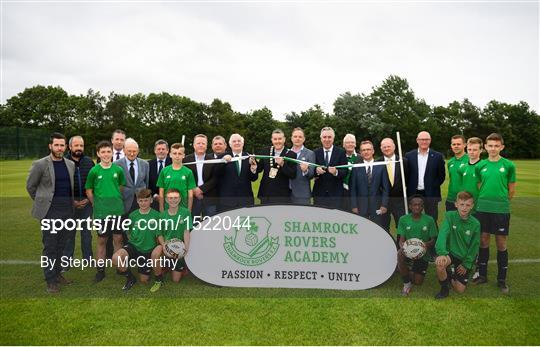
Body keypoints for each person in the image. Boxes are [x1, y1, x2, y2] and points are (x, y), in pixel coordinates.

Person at [26, 132, 75, 293]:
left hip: (67, 211)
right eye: (57, 145)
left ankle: (58, 274)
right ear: (50, 146)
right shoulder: (40, 164)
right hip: (49, 213)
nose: (60, 148)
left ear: (66, 147)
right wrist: (43, 202)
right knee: (50, 246)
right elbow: (31, 187)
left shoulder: (70, 164)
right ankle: (50, 280)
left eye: (62, 145)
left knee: (62, 245)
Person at [473, 133, 516, 294]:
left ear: (501, 147)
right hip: (483, 208)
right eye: (490, 145)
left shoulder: (509, 165)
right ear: (485, 147)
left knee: (501, 243)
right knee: (483, 241)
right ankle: (482, 275)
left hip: (501, 210)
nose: (493, 148)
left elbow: (511, 190)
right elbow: (479, 184)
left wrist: (501, 203)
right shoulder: (480, 166)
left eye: (496, 146)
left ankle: (501, 279)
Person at [85, 140, 126, 283]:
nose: (106, 154)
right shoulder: (94, 171)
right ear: (98, 153)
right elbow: (89, 190)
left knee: (118, 239)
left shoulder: (118, 170)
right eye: (103, 152)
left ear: (112, 153)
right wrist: (97, 204)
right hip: (102, 213)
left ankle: (119, 267)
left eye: (108, 151)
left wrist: (113, 199)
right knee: (102, 240)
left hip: (117, 211)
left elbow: (120, 187)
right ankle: (100, 270)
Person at [111, 189, 161, 291]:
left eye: (146, 200)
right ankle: (130, 278)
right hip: (134, 246)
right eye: (141, 201)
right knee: (116, 258)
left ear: (151, 200)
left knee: (144, 280)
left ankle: (149, 267)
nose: (143, 203)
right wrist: (133, 240)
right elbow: (128, 231)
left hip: (148, 249)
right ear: (137, 201)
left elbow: (159, 235)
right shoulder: (133, 215)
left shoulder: (157, 216)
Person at [434, 191, 480, 299]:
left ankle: (450, 275)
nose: (464, 208)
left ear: (472, 206)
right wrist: (442, 253)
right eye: (462, 204)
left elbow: (475, 246)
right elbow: (442, 234)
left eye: (468, 205)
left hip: (464, 256)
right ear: (456, 204)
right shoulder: (450, 216)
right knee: (440, 264)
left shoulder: (476, 224)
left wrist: (467, 264)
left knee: (459, 290)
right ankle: (444, 289)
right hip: (451, 253)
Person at [63, 135, 95, 271]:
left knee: (86, 233)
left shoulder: (89, 162)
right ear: (70, 147)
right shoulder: (63, 162)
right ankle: (67, 261)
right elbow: (61, 186)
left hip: (87, 204)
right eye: (76, 146)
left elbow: (94, 184)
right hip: (70, 205)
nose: (79, 148)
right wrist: (73, 202)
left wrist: (88, 199)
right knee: (69, 234)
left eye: (81, 146)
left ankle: (88, 259)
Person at [151, 188, 192, 291]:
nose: (173, 200)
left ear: (180, 199)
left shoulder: (186, 212)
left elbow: (186, 231)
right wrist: (164, 245)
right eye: (170, 198)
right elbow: (159, 234)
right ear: (166, 200)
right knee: (155, 253)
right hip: (166, 245)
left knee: (175, 280)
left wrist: (186, 248)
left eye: (176, 198)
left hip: (179, 248)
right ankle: (158, 279)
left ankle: (177, 267)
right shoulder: (162, 215)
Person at [396, 196, 437, 296]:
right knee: (400, 253)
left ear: (423, 207)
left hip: (423, 252)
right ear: (410, 206)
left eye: (420, 205)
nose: (417, 207)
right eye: (415, 205)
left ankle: (404, 269)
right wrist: (405, 249)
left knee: (418, 282)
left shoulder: (429, 220)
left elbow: (433, 240)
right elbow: (401, 240)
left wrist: (423, 245)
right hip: (408, 250)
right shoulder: (403, 219)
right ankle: (406, 283)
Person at [404, 131, 446, 223]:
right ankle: (414, 237)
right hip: (413, 193)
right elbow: (406, 174)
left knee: (432, 219)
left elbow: (441, 176)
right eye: (422, 139)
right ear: (417, 140)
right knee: (413, 219)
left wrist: (433, 185)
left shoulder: (437, 156)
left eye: (426, 139)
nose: (424, 141)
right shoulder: (409, 156)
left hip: (431, 193)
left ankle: (433, 237)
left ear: (430, 141)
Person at [350, 140, 389, 227]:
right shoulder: (356, 168)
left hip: (377, 206)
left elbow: (386, 188)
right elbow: (353, 189)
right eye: (363, 150)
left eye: (368, 149)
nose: (366, 152)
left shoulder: (381, 166)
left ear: (373, 151)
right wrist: (354, 206)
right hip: (361, 206)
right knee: (361, 229)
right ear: (360, 152)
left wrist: (384, 205)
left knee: (378, 228)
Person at [216, 133, 258, 211]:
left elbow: (254, 178)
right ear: (230, 144)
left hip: (246, 201)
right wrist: (223, 162)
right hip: (227, 201)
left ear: (243, 143)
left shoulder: (249, 157)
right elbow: (216, 174)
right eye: (234, 141)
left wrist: (253, 169)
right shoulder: (222, 157)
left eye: (239, 141)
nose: (237, 143)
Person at [257, 129, 297, 204]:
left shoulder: (291, 154)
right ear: (272, 140)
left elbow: (293, 174)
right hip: (266, 193)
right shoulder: (265, 151)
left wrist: (283, 164)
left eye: (280, 139)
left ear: (284, 139)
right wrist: (254, 163)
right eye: (275, 139)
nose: (277, 141)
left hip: (282, 195)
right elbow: (259, 169)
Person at [379, 138, 408, 238]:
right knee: (382, 226)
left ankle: (401, 249)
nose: (386, 148)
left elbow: (408, 180)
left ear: (394, 147)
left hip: (400, 201)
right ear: (381, 148)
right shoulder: (377, 162)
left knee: (402, 226)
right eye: (384, 147)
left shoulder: (403, 161)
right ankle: (385, 246)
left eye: (388, 146)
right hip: (382, 202)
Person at [312, 127, 348, 209]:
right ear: (321, 138)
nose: (327, 139)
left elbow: (345, 172)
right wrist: (316, 171)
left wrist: (336, 172)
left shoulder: (341, 152)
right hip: (319, 194)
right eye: (324, 137)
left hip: (336, 194)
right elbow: (311, 171)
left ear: (333, 138)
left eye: (329, 137)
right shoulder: (315, 152)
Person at [184, 134, 219, 217]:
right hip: (192, 198)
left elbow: (215, 178)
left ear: (206, 146)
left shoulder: (213, 160)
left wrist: (201, 189)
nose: (200, 145)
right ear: (194, 145)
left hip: (209, 198)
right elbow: (184, 178)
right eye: (198, 143)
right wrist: (194, 190)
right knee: (193, 225)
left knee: (210, 225)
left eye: (203, 143)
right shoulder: (185, 160)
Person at [157, 143, 196, 212]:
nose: (177, 156)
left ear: (183, 155)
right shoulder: (164, 171)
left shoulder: (188, 172)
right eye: (174, 153)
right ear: (170, 155)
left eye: (180, 154)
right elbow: (161, 192)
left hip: (183, 209)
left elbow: (190, 194)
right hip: (167, 209)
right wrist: (161, 208)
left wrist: (189, 210)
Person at [116, 138, 150, 214]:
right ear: (124, 150)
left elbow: (146, 183)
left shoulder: (145, 164)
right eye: (129, 151)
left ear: (138, 151)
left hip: (141, 202)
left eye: (134, 151)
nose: (132, 154)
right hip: (124, 202)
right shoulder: (116, 165)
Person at [289, 127, 316, 205]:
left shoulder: (310, 153)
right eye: (295, 136)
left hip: (302, 194)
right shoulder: (286, 153)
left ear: (304, 139)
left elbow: (311, 174)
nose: (297, 139)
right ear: (291, 138)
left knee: (302, 217)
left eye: (300, 137)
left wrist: (305, 170)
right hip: (286, 193)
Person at [457, 137, 483, 213]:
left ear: (481, 150)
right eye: (469, 149)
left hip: (480, 204)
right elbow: (461, 186)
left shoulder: (484, 166)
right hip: (465, 205)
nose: (471, 152)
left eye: (475, 150)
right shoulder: (462, 167)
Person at [446, 135, 469, 212]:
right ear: (451, 146)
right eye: (454, 144)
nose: (456, 146)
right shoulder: (450, 162)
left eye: (458, 144)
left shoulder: (470, 160)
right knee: (451, 223)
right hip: (451, 199)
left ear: (465, 145)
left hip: (465, 200)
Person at [148, 139, 172, 210]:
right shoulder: (148, 164)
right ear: (155, 151)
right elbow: (147, 182)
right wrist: (154, 195)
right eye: (158, 149)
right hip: (153, 200)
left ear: (167, 151)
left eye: (163, 149)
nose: (161, 151)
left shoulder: (173, 163)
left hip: (171, 200)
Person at [342, 134, 358, 212]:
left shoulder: (360, 158)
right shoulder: (339, 157)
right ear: (344, 145)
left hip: (356, 193)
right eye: (347, 142)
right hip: (342, 192)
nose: (350, 144)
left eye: (352, 142)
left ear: (355, 144)